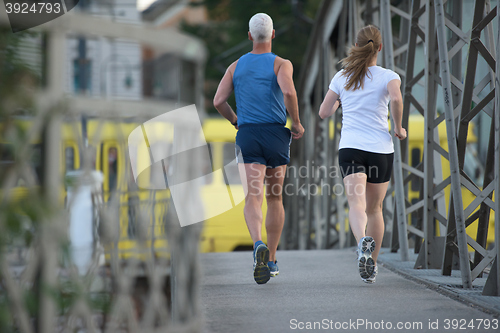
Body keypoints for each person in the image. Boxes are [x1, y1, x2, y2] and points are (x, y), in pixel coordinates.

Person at [213, 13, 304, 285]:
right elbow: (289, 93)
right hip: (276, 134)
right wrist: (296, 123)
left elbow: (218, 100)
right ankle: (272, 259)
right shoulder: (281, 64)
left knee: (253, 198)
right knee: (275, 198)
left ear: (250, 36)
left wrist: (235, 120)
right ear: (273, 35)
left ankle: (257, 245)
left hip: (248, 134)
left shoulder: (235, 66)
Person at [318, 25, 406, 284]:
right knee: (375, 209)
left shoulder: (342, 76)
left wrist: (339, 102)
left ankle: (361, 244)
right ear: (380, 47)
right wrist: (398, 127)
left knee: (356, 205)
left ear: (356, 46)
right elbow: (397, 99)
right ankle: (373, 265)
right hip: (380, 149)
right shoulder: (389, 76)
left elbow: (324, 112)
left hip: (351, 148)